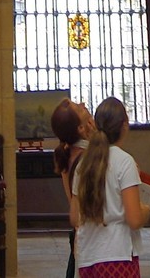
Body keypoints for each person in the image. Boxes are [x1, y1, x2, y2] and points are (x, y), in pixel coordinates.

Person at [71, 97, 148, 278]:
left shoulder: (84, 164)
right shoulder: (125, 162)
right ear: (124, 126)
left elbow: (75, 217)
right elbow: (134, 220)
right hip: (118, 255)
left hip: (88, 255)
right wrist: (146, 209)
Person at [51, 101, 93, 278]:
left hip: (81, 237)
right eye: (79, 108)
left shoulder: (68, 152)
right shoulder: (88, 159)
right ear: (81, 128)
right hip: (92, 238)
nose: (83, 104)